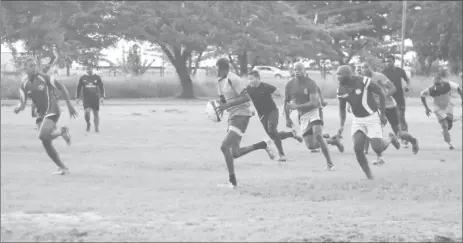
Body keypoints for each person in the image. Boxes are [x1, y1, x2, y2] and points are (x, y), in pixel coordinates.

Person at [214, 58, 277, 188]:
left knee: (224, 147)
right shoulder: (220, 82)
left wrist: (227, 105)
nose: (215, 71)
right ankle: (263, 144)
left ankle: (232, 182)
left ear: (222, 68)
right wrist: (216, 110)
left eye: (216, 68)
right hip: (233, 116)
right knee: (235, 153)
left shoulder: (234, 79)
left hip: (241, 115)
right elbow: (222, 101)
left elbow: (246, 97)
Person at [14, 58, 78, 175]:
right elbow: (22, 103)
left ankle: (62, 131)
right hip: (41, 114)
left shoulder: (45, 78)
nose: (34, 68)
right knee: (45, 141)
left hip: (52, 109)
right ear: (25, 68)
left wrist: (69, 104)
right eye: (31, 66)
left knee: (42, 135)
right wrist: (18, 108)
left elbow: (61, 86)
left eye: (35, 66)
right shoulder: (23, 84)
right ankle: (63, 168)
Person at [336, 65, 400, 180]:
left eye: (340, 74)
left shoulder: (363, 81)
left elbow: (380, 92)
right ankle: (369, 175)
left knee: (378, 148)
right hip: (357, 120)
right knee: (357, 148)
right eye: (337, 74)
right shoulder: (340, 89)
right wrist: (341, 126)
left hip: (372, 117)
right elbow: (341, 109)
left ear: (348, 74)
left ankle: (391, 139)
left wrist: (382, 114)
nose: (338, 77)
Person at [361, 62, 419, 163]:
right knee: (373, 129)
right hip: (376, 108)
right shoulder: (363, 80)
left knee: (399, 133)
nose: (364, 69)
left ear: (371, 67)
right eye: (362, 68)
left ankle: (413, 140)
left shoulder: (379, 77)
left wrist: (383, 96)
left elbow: (393, 88)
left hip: (389, 106)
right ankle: (376, 156)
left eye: (366, 67)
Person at [284, 62, 336, 171]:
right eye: (295, 69)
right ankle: (331, 141)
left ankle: (330, 164)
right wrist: (287, 118)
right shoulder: (289, 84)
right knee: (312, 146)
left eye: (299, 69)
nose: (297, 71)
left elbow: (313, 102)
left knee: (318, 135)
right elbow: (286, 102)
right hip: (302, 116)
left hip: (314, 111)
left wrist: (321, 101)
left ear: (305, 70)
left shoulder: (311, 83)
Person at [245, 70, 303, 162]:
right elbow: (246, 100)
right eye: (249, 79)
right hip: (262, 115)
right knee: (273, 135)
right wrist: (249, 110)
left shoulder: (265, 86)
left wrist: (286, 102)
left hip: (272, 111)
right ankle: (292, 134)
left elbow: (279, 92)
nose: (250, 81)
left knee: (272, 130)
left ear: (258, 78)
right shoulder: (249, 88)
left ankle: (282, 155)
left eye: (251, 79)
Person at [420, 68, 462, 150]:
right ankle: (450, 144)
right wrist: (427, 108)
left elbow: (458, 89)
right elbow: (422, 96)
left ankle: (444, 131)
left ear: (441, 82)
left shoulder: (448, 85)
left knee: (449, 125)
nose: (438, 87)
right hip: (438, 108)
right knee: (444, 125)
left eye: (439, 84)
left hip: (448, 107)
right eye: (435, 85)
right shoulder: (431, 90)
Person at [381, 55, 411, 147]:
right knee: (393, 121)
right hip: (388, 100)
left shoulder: (400, 71)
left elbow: (407, 80)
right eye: (386, 61)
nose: (388, 63)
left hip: (399, 98)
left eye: (389, 61)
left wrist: (407, 86)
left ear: (394, 61)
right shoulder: (383, 73)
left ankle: (405, 139)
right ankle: (399, 137)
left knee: (401, 118)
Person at [76, 66, 105, 133]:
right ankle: (88, 123)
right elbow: (79, 88)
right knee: (87, 112)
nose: (89, 70)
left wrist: (102, 96)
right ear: (86, 70)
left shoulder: (97, 77)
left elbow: (101, 87)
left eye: (90, 68)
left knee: (96, 113)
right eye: (88, 69)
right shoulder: (83, 78)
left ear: (93, 69)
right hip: (86, 98)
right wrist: (77, 97)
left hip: (95, 98)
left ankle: (96, 128)